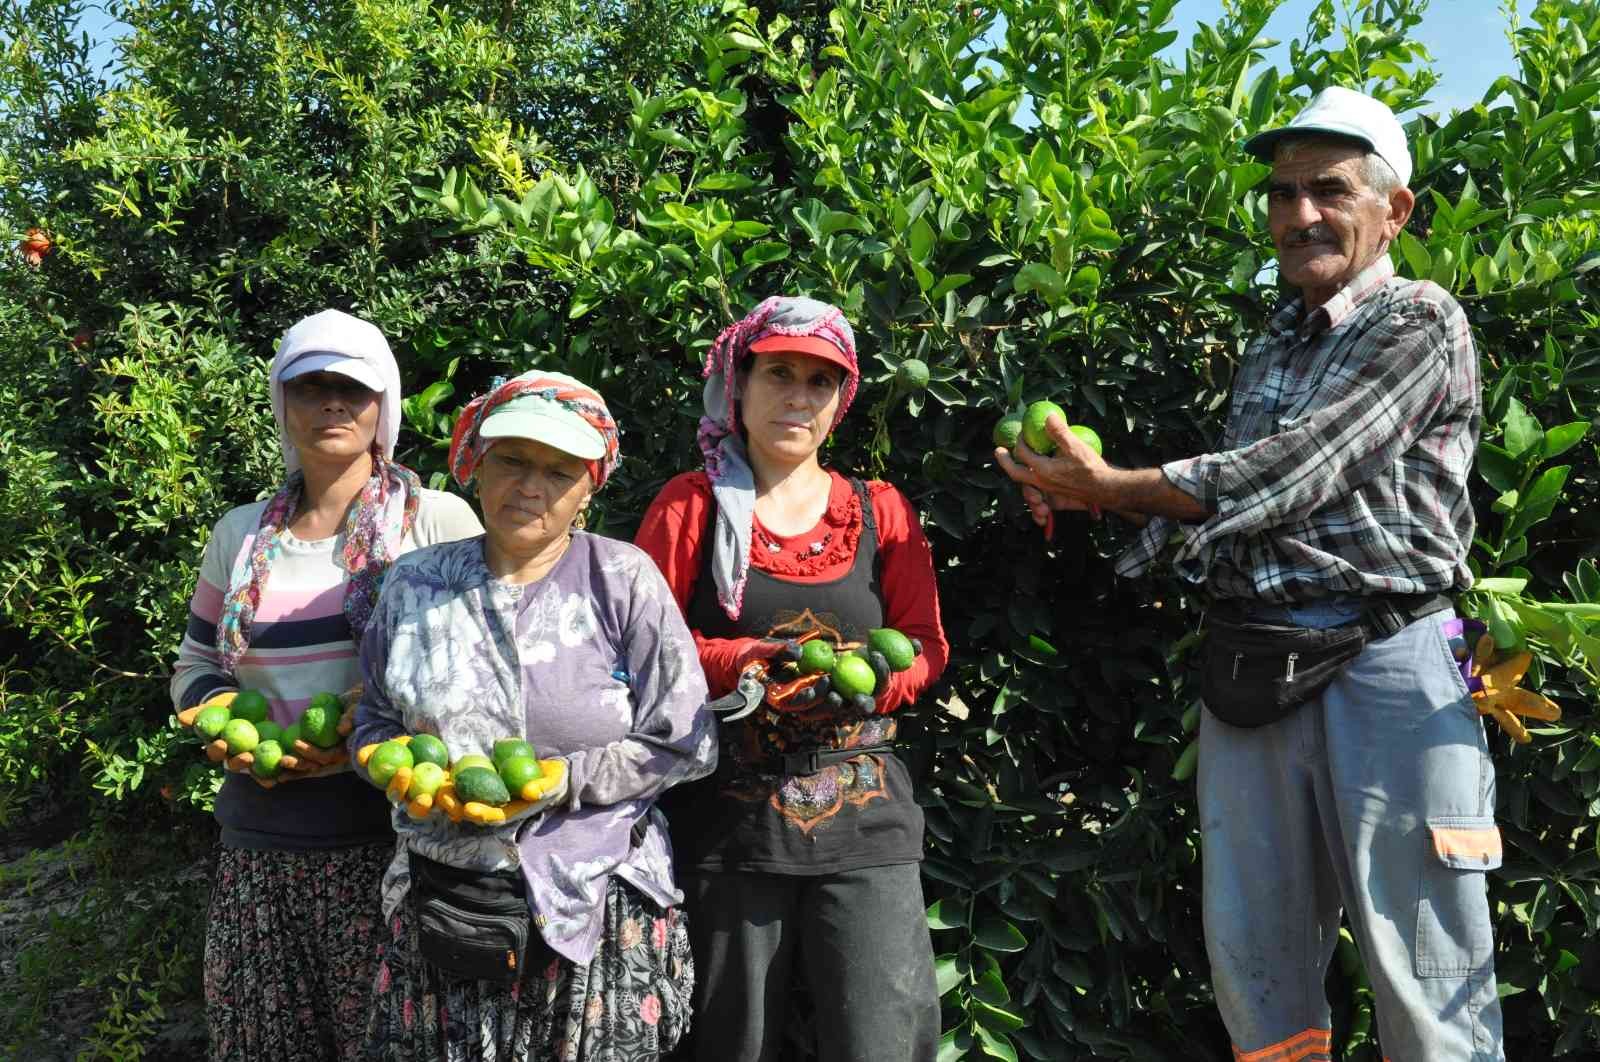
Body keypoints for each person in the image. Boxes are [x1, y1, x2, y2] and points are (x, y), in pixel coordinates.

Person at [996, 87, 1544, 1061]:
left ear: (1394, 210)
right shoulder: (1271, 345)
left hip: (1392, 656)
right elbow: (1243, 516)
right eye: (1283, 194)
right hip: (1251, 665)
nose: (1298, 215)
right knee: (1258, 971)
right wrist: (1090, 498)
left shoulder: (1422, 320)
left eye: (1326, 190)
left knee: (1428, 973)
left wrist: (1121, 487)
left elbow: (1299, 467)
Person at [351, 370, 717, 1062]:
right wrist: (384, 765)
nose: (531, 486)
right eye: (512, 460)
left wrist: (564, 780)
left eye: (559, 470)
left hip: (593, 904)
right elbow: (374, 718)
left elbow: (686, 740)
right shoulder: (413, 584)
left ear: (589, 487)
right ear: (476, 466)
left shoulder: (622, 579)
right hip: (444, 900)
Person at [634, 295, 950, 1062]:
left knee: (882, 1034)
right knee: (730, 1039)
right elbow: (644, 649)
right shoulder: (691, 506)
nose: (797, 396)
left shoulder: (881, 511)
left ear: (840, 401)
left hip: (866, 815)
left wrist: (874, 681)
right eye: (779, 373)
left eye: (819, 381)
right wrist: (741, 661)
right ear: (738, 385)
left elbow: (927, 645)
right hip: (729, 822)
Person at [170, 309, 484, 1061]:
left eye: (352, 387)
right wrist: (223, 726)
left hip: (397, 846)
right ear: (285, 405)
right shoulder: (240, 535)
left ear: (385, 406)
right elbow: (195, 666)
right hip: (261, 846)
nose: (333, 404)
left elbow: (491, 669)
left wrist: (369, 726)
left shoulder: (434, 522)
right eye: (311, 387)